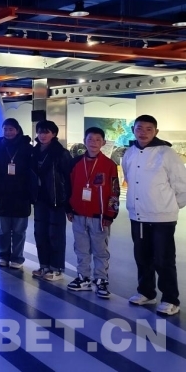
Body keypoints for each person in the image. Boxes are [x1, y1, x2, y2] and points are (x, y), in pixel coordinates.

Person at [123, 115, 186, 316]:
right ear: (133, 130)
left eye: (149, 129)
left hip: (162, 217)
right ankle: (146, 292)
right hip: (138, 215)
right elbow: (128, 177)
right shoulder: (129, 153)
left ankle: (170, 299)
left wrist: (170, 205)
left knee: (163, 259)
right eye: (139, 128)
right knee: (142, 257)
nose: (143, 132)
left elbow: (181, 184)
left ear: (156, 132)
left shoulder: (166, 153)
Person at [66, 127, 120, 299]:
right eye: (90, 139)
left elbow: (114, 191)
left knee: (100, 250)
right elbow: (68, 186)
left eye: (98, 140)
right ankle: (83, 277)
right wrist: (68, 208)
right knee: (81, 248)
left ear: (103, 143)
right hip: (78, 214)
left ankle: (101, 279)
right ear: (84, 141)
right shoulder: (75, 162)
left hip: (100, 216)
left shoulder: (109, 165)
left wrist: (110, 214)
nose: (94, 143)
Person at [0, 118, 33, 269]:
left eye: (11, 129)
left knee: (19, 230)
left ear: (17, 130)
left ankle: (17, 258)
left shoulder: (26, 147)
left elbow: (32, 172)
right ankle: (3, 255)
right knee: (3, 229)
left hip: (22, 194)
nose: (8, 132)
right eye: (5, 129)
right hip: (3, 193)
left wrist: (32, 192)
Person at [30, 120, 72, 282]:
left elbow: (69, 179)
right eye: (40, 132)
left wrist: (68, 202)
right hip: (39, 199)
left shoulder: (61, 153)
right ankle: (44, 265)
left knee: (55, 235)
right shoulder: (34, 152)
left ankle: (57, 268)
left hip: (56, 199)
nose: (42, 135)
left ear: (53, 134)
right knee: (40, 233)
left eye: (46, 132)